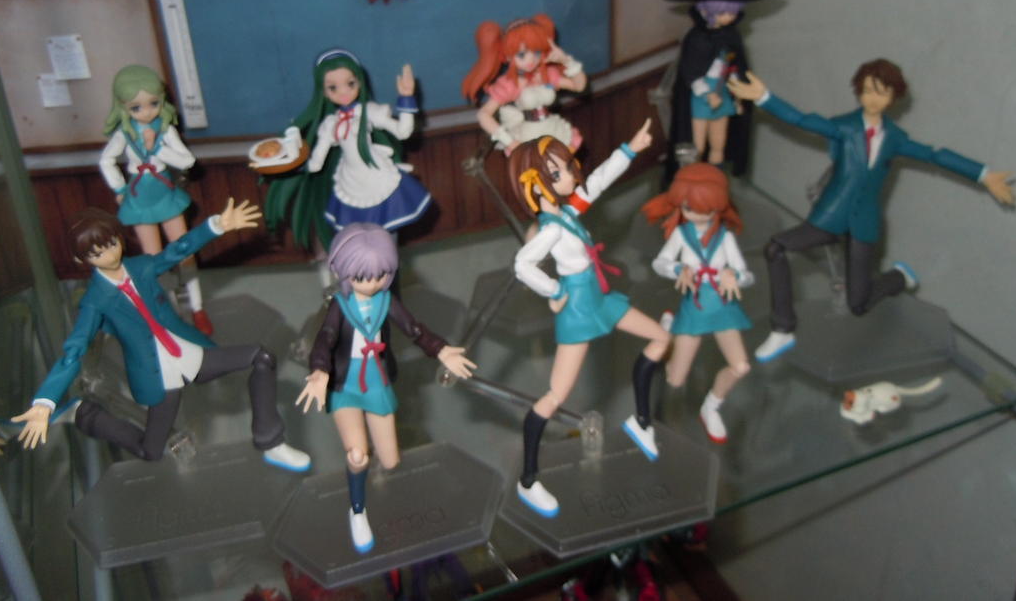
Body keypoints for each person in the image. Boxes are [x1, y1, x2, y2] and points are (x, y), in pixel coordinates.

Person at [728, 59, 1016, 361]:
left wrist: (983, 175)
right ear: (858, 92)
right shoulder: (844, 126)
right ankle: (783, 329)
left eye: (882, 92)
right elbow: (802, 120)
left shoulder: (895, 138)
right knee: (775, 248)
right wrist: (764, 98)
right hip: (831, 216)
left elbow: (934, 155)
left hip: (864, 222)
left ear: (894, 96)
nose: (873, 98)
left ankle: (898, 278)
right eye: (867, 90)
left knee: (858, 304)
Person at [11, 199, 310, 472]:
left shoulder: (141, 267)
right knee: (150, 451)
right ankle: (84, 415)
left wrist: (216, 225)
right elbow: (74, 350)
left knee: (262, 357)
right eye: (97, 253)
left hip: (191, 353)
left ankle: (271, 442)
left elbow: (176, 251)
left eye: (112, 243)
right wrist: (45, 401)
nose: (109, 254)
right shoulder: (95, 301)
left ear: (119, 238)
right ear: (83, 260)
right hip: (156, 375)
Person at [509, 119, 669, 518]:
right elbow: (523, 265)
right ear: (536, 186)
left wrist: (630, 148)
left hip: (599, 294)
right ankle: (528, 479)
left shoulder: (567, 213)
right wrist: (555, 291)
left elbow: (596, 182)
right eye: (557, 173)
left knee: (660, 337)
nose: (570, 175)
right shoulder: (549, 229)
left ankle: (641, 421)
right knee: (555, 395)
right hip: (579, 306)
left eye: (567, 167)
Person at [296, 223, 474, 554]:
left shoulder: (386, 300)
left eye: (380, 274)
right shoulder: (340, 306)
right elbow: (325, 339)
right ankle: (357, 510)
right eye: (363, 276)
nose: (373, 282)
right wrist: (319, 371)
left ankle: (372, 471)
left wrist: (441, 350)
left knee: (391, 461)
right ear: (344, 271)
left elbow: (414, 329)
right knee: (357, 454)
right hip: (344, 383)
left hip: (376, 379)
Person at [263, 49, 431, 253]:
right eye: (333, 87)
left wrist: (406, 98)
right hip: (351, 183)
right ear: (323, 91)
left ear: (359, 82)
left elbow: (403, 131)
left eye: (350, 83)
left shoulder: (369, 111)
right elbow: (316, 163)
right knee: (358, 241)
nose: (343, 92)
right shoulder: (330, 124)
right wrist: (290, 163)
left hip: (379, 179)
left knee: (388, 239)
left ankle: (388, 270)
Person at [99, 65, 213, 335]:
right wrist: (119, 188)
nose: (147, 112)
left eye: (153, 103)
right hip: (140, 197)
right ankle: (169, 310)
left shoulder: (165, 130)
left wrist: (158, 149)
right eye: (136, 107)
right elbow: (106, 160)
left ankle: (197, 307)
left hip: (165, 194)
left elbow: (187, 160)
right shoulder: (124, 134)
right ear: (123, 107)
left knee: (184, 252)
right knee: (154, 260)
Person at [642, 163, 752, 442]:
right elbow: (659, 263)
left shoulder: (725, 237)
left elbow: (747, 274)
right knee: (675, 379)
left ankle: (711, 406)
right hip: (694, 308)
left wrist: (734, 276)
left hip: (723, 307)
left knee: (741, 366)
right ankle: (668, 336)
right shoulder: (681, 234)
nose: (698, 214)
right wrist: (679, 269)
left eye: (706, 208)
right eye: (690, 208)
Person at [663, 0, 779, 176]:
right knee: (696, 147)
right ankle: (693, 183)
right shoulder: (696, 39)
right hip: (700, 98)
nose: (729, 17)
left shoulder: (731, 36)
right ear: (709, 9)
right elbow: (689, 73)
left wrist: (739, 95)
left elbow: (736, 67)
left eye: (732, 11)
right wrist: (707, 94)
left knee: (719, 144)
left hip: (723, 95)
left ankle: (716, 182)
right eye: (724, 11)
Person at [461, 15, 587, 155]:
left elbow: (579, 86)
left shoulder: (547, 74)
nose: (531, 59)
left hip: (554, 131)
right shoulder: (510, 84)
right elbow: (483, 114)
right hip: (528, 137)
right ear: (508, 56)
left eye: (537, 52)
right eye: (521, 55)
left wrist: (566, 60)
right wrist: (510, 142)